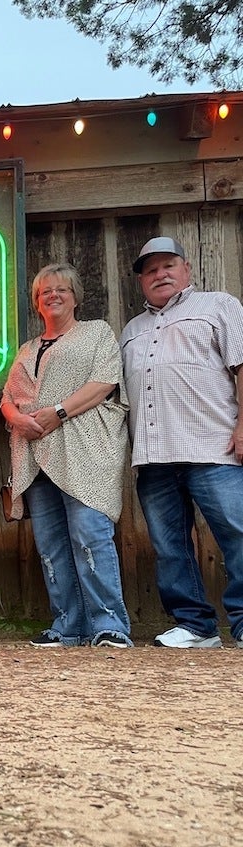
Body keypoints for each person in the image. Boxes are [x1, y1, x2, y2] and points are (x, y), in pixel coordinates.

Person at [0, 262, 132, 648]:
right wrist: (16, 419)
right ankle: (68, 626)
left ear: (75, 297)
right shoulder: (27, 349)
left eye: (62, 289)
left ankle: (110, 625)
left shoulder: (96, 334)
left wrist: (57, 412)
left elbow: (105, 382)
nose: (53, 295)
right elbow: (9, 397)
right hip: (36, 457)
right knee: (52, 545)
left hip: (83, 453)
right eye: (45, 292)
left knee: (90, 536)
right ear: (36, 302)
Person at [120, 236, 243, 648]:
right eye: (150, 270)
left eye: (168, 265)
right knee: (171, 546)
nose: (160, 274)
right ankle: (195, 625)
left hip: (214, 447)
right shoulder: (132, 330)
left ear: (186, 269)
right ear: (141, 281)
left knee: (237, 534)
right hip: (154, 457)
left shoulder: (218, 306)